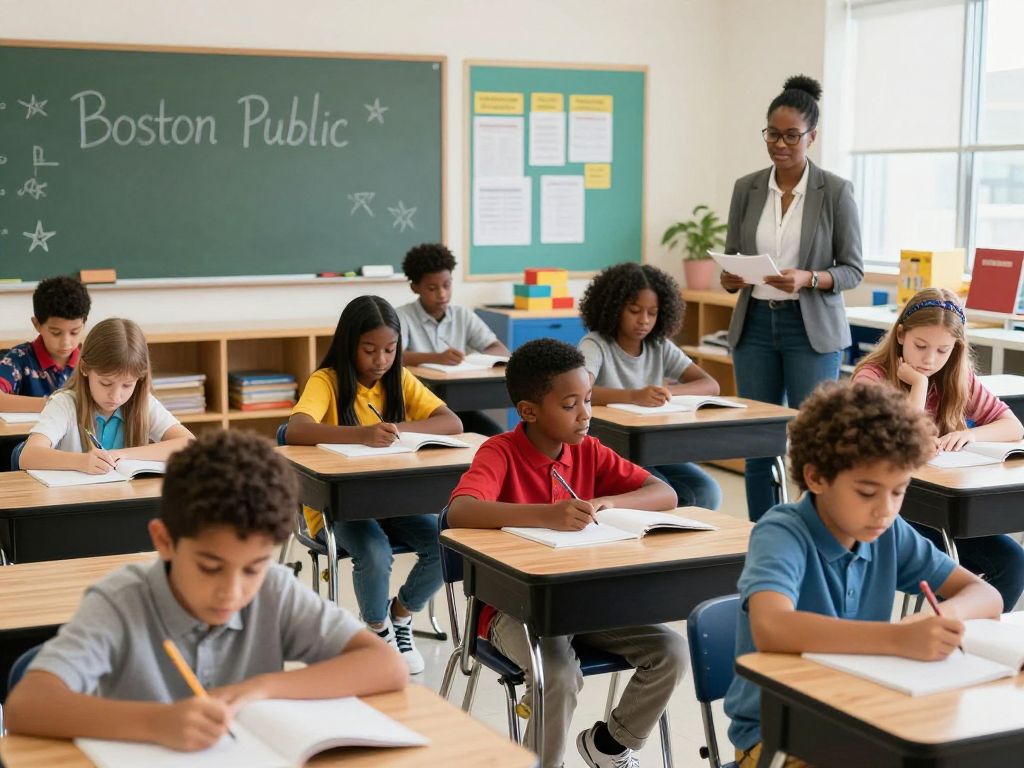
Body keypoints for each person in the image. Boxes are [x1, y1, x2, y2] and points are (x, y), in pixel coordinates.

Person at [5, 430, 407, 750]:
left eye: (253, 568)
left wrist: (260, 688)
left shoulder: (273, 590)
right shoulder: (121, 601)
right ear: (164, 541)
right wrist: (155, 723)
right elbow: (27, 705)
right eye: (210, 567)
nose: (231, 592)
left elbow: (387, 666)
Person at [723, 381, 1002, 768]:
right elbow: (772, 628)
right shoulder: (782, 532)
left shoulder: (889, 533)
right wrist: (898, 638)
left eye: (898, 491)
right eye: (867, 493)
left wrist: (940, 617)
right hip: (780, 736)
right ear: (817, 477)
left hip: (863, 713)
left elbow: (985, 594)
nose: (885, 511)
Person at [448, 338, 685, 768]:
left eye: (589, 400)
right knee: (557, 674)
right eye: (571, 404)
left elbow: (663, 493)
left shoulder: (588, 450)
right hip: (513, 608)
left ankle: (609, 746)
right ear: (529, 411)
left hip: (584, 602)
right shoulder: (499, 452)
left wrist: (612, 503)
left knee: (671, 652)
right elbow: (459, 511)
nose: (585, 414)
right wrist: (546, 515)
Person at [286, 295, 462, 673]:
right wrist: (360, 434)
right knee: (376, 551)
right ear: (349, 344)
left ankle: (401, 614)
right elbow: (296, 430)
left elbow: (451, 423)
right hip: (338, 506)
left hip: (390, 500)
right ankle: (376, 631)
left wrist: (397, 430)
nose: (380, 360)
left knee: (446, 543)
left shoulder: (399, 378)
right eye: (369, 350)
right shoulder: (327, 381)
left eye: (389, 349)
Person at [720, 74, 863, 522]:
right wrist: (732, 278)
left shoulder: (835, 191)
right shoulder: (746, 188)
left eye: (791, 136)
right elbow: (730, 260)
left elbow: (852, 269)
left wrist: (810, 278)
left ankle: (813, 540)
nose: (779, 144)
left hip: (811, 329)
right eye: (772, 134)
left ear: (812, 136)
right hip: (756, 324)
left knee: (812, 445)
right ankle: (763, 539)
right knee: (757, 442)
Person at [853, 288, 1024, 610]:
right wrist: (918, 386)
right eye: (921, 346)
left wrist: (972, 435)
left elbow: (1013, 426)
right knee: (954, 573)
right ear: (901, 335)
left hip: (940, 507)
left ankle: (970, 644)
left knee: (1014, 563)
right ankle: (936, 636)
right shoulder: (871, 377)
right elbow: (899, 443)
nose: (930, 359)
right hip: (890, 511)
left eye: (943, 350)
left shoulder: (957, 378)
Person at [578, 261, 722, 509]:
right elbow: (581, 391)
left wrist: (667, 392)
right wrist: (634, 396)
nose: (644, 320)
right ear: (613, 308)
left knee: (707, 491)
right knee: (661, 490)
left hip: (653, 447)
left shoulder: (659, 345)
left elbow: (710, 384)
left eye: (652, 313)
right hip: (612, 450)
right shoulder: (596, 344)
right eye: (634, 310)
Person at [19, 318, 193, 473]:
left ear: (139, 379)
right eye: (106, 383)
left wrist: (121, 455)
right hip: (76, 503)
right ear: (85, 368)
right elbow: (28, 455)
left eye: (127, 384)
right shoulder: (64, 404)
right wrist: (82, 462)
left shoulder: (144, 403)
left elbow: (190, 444)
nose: (116, 396)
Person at [396, 242, 510, 436]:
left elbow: (499, 349)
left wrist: (471, 359)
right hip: (417, 408)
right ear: (415, 287)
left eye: (447, 285)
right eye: (432, 288)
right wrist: (436, 358)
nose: (442, 294)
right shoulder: (401, 316)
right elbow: (395, 356)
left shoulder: (462, 314)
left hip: (459, 406)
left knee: (496, 435)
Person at [0, 275, 91, 412]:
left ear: (84, 324)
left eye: (74, 332)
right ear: (37, 324)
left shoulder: (92, 360)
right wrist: (55, 404)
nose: (66, 343)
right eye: (56, 333)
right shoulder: (19, 359)